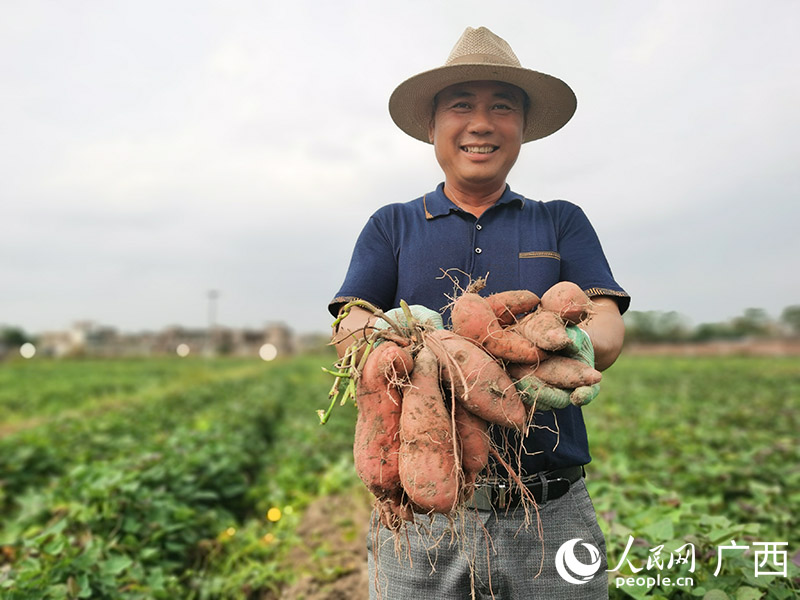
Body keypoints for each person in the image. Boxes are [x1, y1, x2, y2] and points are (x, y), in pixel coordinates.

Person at [329, 26, 629, 599]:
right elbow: (350, 326)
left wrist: (564, 347)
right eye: (461, 105)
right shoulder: (390, 225)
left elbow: (607, 325)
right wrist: (400, 343)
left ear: (521, 127)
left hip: (551, 507)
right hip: (422, 516)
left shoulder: (561, 220)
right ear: (432, 125)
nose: (481, 123)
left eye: (502, 108)